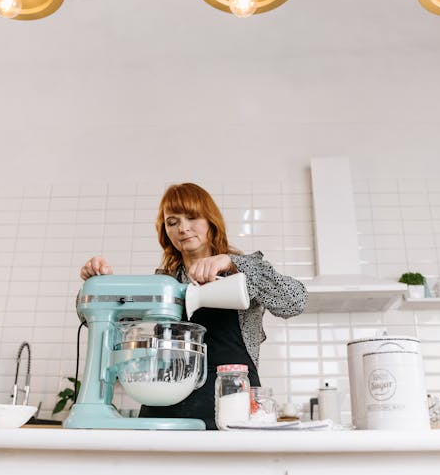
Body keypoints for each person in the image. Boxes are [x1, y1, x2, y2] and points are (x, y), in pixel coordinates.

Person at [80, 182, 307, 429]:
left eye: (192, 217)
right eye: (172, 221)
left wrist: (232, 263)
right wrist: (102, 288)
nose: (183, 228)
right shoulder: (161, 284)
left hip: (232, 404)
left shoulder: (243, 270)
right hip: (163, 408)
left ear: (210, 221)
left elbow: (295, 301)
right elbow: (108, 329)